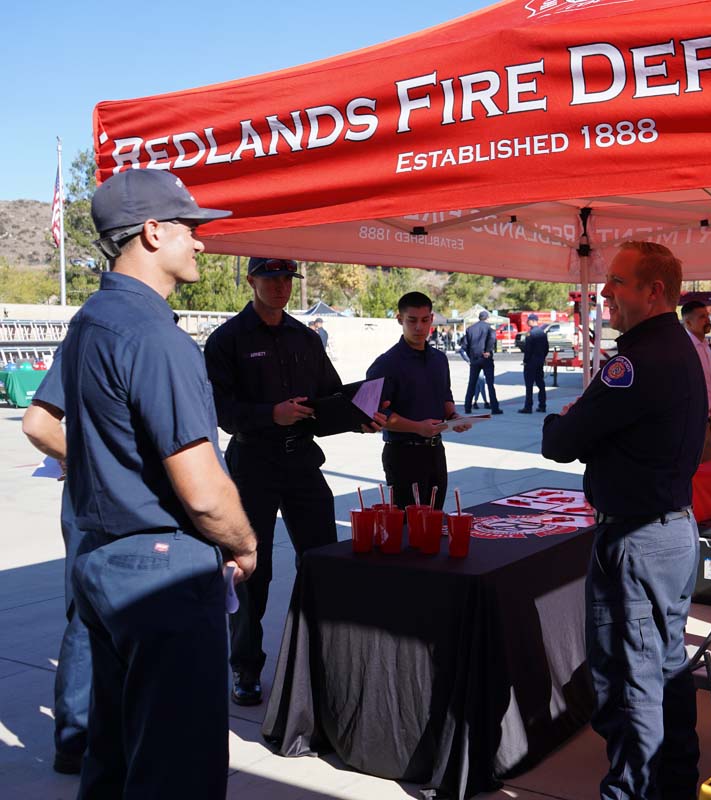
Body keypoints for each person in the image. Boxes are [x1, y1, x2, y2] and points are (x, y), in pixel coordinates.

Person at [60, 168, 258, 797]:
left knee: (116, 754)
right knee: (177, 764)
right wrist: (243, 543)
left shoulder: (91, 321)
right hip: (162, 568)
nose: (201, 243)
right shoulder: (154, 335)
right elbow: (201, 487)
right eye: (190, 229)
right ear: (151, 231)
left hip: (103, 559)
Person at [542, 241, 706, 800]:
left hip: (637, 540)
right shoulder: (678, 347)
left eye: (617, 281)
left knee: (632, 685)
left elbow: (564, 442)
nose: (605, 292)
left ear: (654, 291)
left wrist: (562, 424)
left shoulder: (635, 360)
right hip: (670, 531)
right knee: (665, 670)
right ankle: (674, 785)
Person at [205, 256, 384, 707]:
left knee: (323, 561)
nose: (281, 286)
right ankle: (246, 668)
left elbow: (325, 402)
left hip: (302, 462)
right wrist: (271, 414)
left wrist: (357, 415)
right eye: (271, 278)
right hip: (253, 466)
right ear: (251, 281)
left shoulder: (305, 337)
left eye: (287, 279)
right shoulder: (227, 340)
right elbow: (220, 413)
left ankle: (323, 659)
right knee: (250, 570)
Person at [21, 357, 89, 775]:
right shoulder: (94, 333)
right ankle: (77, 737)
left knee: (88, 618)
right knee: (88, 619)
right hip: (104, 501)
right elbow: (38, 424)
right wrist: (87, 457)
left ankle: (76, 739)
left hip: (95, 499)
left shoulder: (89, 334)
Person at [368, 292, 472, 509]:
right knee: (409, 528)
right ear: (400, 320)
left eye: (425, 320)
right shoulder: (386, 363)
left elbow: (445, 395)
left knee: (434, 520)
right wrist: (417, 428)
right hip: (403, 455)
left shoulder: (439, 359)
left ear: (432, 319)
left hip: (435, 452)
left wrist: (454, 417)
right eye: (412, 320)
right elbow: (375, 414)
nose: (419, 327)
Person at [681, 300, 711, 461]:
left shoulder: (704, 344)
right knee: (697, 462)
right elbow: (690, 385)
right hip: (695, 415)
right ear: (688, 322)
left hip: (707, 415)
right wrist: (708, 409)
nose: (707, 320)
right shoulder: (686, 348)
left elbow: (709, 381)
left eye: (707, 315)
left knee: (707, 457)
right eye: (702, 317)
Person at [463, 310, 502, 414]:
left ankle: (467, 407)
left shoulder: (470, 329)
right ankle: (495, 407)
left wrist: (471, 356)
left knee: (472, 383)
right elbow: (493, 338)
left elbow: (464, 345)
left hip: (475, 359)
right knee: (490, 384)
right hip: (486, 359)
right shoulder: (489, 328)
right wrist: (488, 350)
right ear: (487, 318)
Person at [518, 313, 550, 413]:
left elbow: (528, 350)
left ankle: (528, 407)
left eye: (528, 320)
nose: (527, 322)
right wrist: (542, 358)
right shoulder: (542, 333)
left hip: (531, 362)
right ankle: (542, 405)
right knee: (541, 384)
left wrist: (525, 362)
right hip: (539, 362)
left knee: (529, 385)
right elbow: (546, 348)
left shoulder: (530, 334)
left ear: (532, 321)